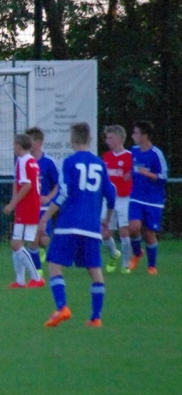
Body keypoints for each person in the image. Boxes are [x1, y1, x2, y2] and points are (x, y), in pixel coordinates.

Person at [39, 122, 116, 328]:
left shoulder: (69, 162)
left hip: (69, 224)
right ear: (90, 139)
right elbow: (111, 195)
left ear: (72, 139)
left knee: (54, 263)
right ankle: (96, 318)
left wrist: (45, 218)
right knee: (95, 270)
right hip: (91, 227)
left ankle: (62, 307)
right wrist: (106, 220)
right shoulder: (100, 164)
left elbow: (63, 193)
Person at [2, 135, 46, 288]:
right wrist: (15, 203)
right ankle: (20, 280)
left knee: (16, 244)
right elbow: (20, 183)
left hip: (27, 206)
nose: (13, 147)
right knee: (17, 243)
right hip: (30, 206)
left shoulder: (23, 161)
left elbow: (26, 185)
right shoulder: (32, 161)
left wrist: (12, 204)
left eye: (14, 145)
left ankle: (36, 277)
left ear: (19, 146)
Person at [126, 120, 168, 275]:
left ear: (144, 136)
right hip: (136, 197)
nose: (133, 135)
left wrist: (148, 174)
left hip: (153, 200)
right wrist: (129, 174)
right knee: (133, 227)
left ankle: (151, 266)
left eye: (135, 133)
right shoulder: (134, 151)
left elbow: (163, 177)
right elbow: (133, 168)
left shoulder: (156, 154)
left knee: (149, 234)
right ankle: (137, 253)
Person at [26, 127, 61, 273]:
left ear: (39, 143)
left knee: (44, 240)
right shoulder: (24, 162)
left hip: (45, 208)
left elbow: (58, 185)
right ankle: (37, 272)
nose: (27, 144)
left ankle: (43, 250)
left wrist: (48, 198)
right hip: (30, 207)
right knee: (33, 239)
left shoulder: (49, 162)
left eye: (30, 141)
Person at [100, 125, 133, 273]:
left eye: (110, 138)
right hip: (109, 200)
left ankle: (125, 264)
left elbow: (135, 175)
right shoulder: (106, 157)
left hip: (124, 199)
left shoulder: (129, 156)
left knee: (124, 231)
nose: (107, 141)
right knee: (105, 233)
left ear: (119, 139)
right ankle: (114, 253)